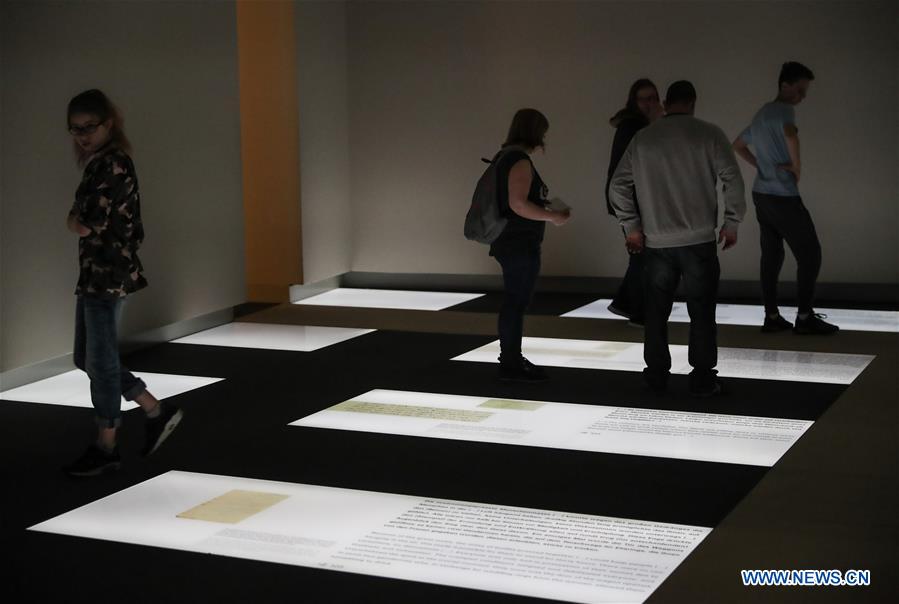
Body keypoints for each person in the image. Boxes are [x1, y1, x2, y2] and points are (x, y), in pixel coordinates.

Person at [63, 89, 182, 476]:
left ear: (108, 124)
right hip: (98, 273)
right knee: (88, 358)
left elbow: (84, 222)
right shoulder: (103, 162)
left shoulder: (111, 164)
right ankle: (154, 409)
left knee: (97, 361)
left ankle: (107, 444)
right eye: (75, 129)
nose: (82, 135)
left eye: (89, 127)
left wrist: (74, 219)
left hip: (107, 274)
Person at [610, 81, 745, 397]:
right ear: (693, 102)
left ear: (666, 102)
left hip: (656, 243)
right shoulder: (709, 134)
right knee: (701, 311)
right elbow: (732, 180)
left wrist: (631, 226)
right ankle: (701, 379)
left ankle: (656, 376)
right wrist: (731, 223)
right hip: (698, 240)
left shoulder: (644, 138)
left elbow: (618, 186)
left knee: (656, 314)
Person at [733, 62, 838, 334]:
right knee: (810, 254)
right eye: (800, 90)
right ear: (785, 85)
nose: (802, 97)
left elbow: (738, 145)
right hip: (783, 196)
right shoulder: (784, 110)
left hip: (761, 194)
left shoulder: (762, 114)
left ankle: (771, 316)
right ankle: (804, 318)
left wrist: (760, 165)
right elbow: (790, 134)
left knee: (771, 255)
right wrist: (796, 167)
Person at [490, 108, 571, 381]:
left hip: (509, 241)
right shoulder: (520, 161)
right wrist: (553, 216)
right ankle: (511, 360)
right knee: (516, 301)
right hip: (519, 242)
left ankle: (510, 357)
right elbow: (518, 204)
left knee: (513, 300)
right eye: (543, 133)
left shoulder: (504, 157)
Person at [604, 78, 663, 326]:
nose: (649, 103)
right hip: (635, 203)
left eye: (653, 98)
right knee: (644, 257)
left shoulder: (633, 127)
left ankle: (630, 306)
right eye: (644, 99)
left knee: (642, 257)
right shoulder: (634, 129)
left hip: (634, 202)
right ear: (634, 102)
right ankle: (635, 309)